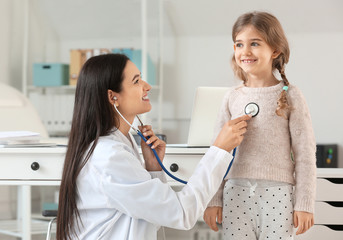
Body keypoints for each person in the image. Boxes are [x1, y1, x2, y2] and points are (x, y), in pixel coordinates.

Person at [56, 53, 251, 240]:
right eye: (136, 81)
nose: (146, 86)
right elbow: (182, 213)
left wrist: (153, 168)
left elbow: (153, 216)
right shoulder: (109, 156)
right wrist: (219, 151)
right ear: (113, 97)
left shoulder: (120, 143)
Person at [203, 11, 316, 239]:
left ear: (275, 50)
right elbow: (217, 152)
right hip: (235, 192)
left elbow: (305, 154)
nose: (245, 51)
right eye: (239, 44)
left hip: (278, 194)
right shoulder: (231, 97)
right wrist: (213, 199)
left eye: (254, 43)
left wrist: (304, 203)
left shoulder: (291, 95)